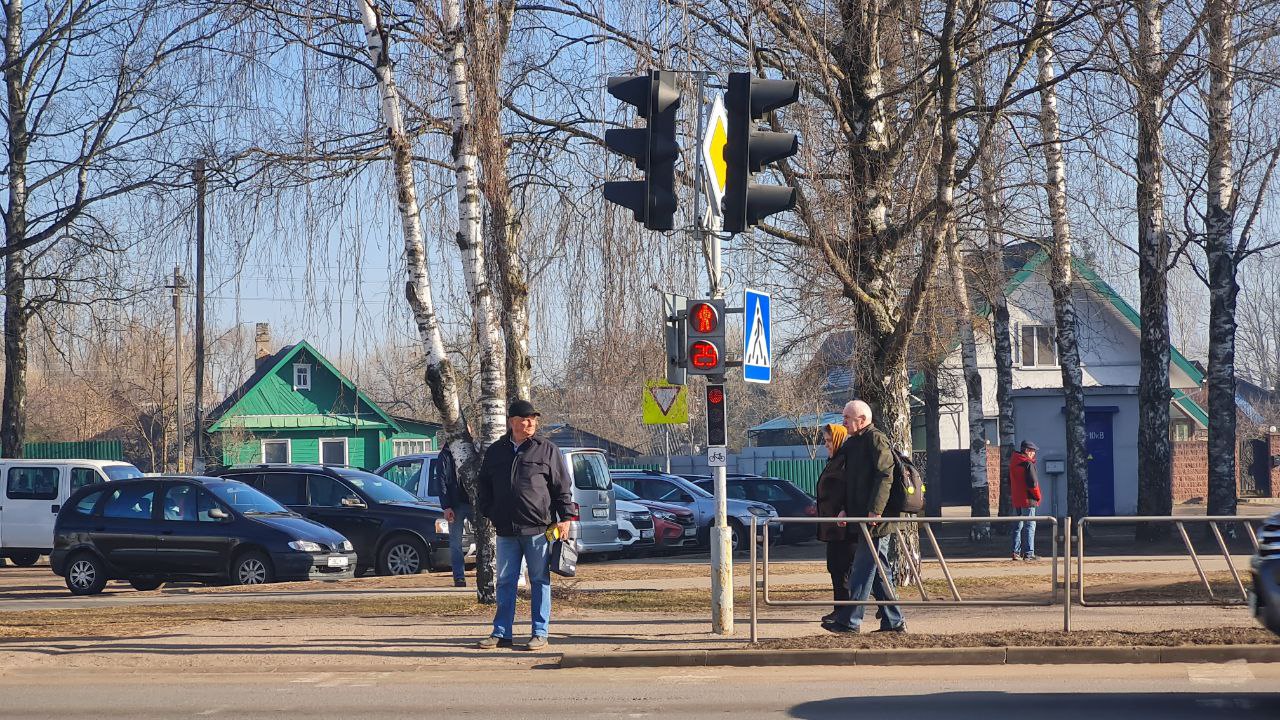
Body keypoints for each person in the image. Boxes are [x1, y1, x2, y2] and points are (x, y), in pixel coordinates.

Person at [474, 399, 576, 651]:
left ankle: (539, 633)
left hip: (539, 530)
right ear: (512, 422)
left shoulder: (547, 449)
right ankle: (501, 633)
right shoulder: (496, 451)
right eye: (525, 419)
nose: (530, 423)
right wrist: (491, 512)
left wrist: (565, 519)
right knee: (506, 581)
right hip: (506, 530)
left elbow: (562, 487)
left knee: (539, 580)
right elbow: (483, 487)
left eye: (533, 419)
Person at [824, 399, 906, 634]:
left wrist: (876, 509)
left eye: (847, 418)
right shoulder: (854, 443)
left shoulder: (875, 439)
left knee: (862, 568)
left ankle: (850, 621)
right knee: (879, 571)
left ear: (862, 420)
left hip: (875, 519)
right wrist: (844, 508)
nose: (843, 422)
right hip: (861, 516)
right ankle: (894, 621)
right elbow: (851, 483)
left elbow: (885, 475)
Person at [815, 422, 853, 624]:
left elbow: (849, 488)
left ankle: (844, 612)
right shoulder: (834, 460)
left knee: (843, 569)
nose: (826, 444)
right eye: (825, 440)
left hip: (842, 527)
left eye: (829, 440)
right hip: (833, 526)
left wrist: (844, 508)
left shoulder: (844, 461)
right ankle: (841, 610)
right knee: (837, 568)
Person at [437, 444, 472, 587]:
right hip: (455, 504)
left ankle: (487, 573)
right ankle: (459, 577)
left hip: (473, 502)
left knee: (485, 540)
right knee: (456, 543)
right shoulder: (445, 455)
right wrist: (446, 506)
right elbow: (441, 480)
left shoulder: (472, 451)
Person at [1010, 440, 1041, 561]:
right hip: (1028, 499)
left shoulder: (1014, 462)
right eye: (1032, 451)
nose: (1034, 453)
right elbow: (1033, 484)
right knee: (1030, 525)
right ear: (1027, 451)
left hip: (1017, 497)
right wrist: (1038, 496)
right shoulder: (1028, 464)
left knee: (1017, 525)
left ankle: (1015, 552)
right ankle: (1029, 553)